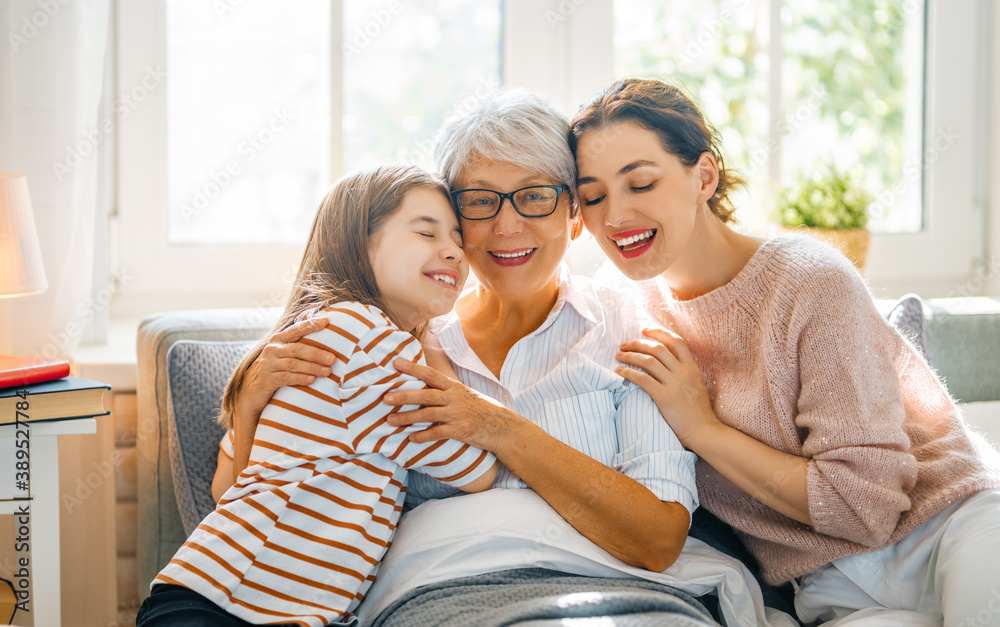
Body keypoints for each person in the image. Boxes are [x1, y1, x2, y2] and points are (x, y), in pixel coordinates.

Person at [219, 90, 727, 625]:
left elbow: (657, 540)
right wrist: (248, 407)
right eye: (480, 201)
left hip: (614, 594)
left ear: (574, 216)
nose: (507, 226)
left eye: (535, 196)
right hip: (440, 599)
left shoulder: (626, 331)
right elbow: (247, 509)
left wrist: (499, 428)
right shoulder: (389, 341)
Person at [568, 77, 1000, 626]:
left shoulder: (809, 282)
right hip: (829, 587)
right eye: (594, 195)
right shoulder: (617, 310)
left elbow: (863, 507)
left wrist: (702, 429)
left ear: (703, 176)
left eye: (641, 183)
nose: (615, 217)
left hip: (948, 526)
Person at [136, 164, 499, 627]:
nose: (454, 252)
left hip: (221, 596)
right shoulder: (367, 338)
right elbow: (476, 470)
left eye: (457, 238)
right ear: (359, 245)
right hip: (225, 607)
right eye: (427, 234)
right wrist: (434, 351)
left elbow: (227, 488)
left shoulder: (321, 332)